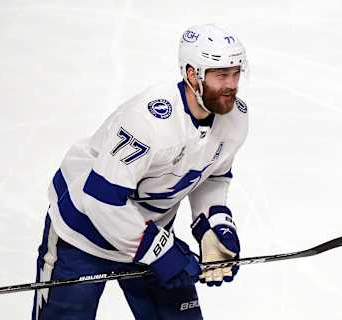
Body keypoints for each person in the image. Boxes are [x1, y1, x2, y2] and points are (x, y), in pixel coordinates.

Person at [32, 23, 249, 320]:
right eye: (221, 75)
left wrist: (213, 223)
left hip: (147, 234)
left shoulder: (234, 118)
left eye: (235, 73)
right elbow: (101, 199)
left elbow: (212, 175)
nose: (231, 84)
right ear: (191, 75)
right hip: (82, 234)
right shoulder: (149, 121)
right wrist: (159, 251)